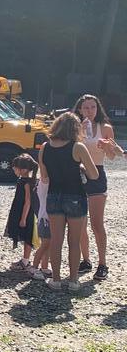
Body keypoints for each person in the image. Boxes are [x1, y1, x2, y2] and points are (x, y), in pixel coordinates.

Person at [38, 112, 99, 292]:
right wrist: (80, 167)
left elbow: (44, 177)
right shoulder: (77, 147)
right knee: (74, 241)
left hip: (54, 195)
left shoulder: (44, 147)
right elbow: (94, 174)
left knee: (56, 240)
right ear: (75, 129)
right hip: (75, 196)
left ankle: (56, 279)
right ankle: (73, 280)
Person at [74, 94, 124, 281]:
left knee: (97, 223)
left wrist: (105, 147)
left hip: (97, 173)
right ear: (80, 109)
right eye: (86, 108)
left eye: (93, 107)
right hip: (78, 174)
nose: (89, 111)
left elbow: (112, 157)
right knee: (80, 223)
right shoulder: (75, 126)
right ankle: (85, 260)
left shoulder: (105, 128)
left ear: (98, 108)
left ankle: (103, 263)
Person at [4, 154, 39, 273]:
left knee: (27, 236)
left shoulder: (27, 183)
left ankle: (25, 260)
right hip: (19, 211)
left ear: (23, 169)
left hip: (25, 213)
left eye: (15, 167)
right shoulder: (22, 180)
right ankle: (25, 259)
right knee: (24, 235)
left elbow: (28, 202)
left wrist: (23, 218)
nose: (13, 169)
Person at [31, 174, 51, 280]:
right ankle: (34, 267)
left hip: (47, 219)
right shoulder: (43, 184)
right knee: (45, 245)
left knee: (48, 245)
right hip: (45, 220)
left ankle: (44, 266)